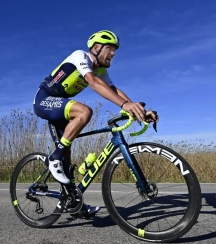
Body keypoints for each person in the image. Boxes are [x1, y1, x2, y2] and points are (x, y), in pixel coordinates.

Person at [33, 30, 158, 215]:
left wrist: (135, 109)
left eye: (115, 50)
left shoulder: (101, 70)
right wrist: (125, 105)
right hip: (44, 100)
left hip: (62, 107)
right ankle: (53, 159)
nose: (113, 53)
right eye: (109, 48)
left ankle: (75, 204)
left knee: (67, 163)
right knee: (85, 111)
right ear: (96, 48)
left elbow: (113, 90)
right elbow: (93, 83)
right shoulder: (80, 56)